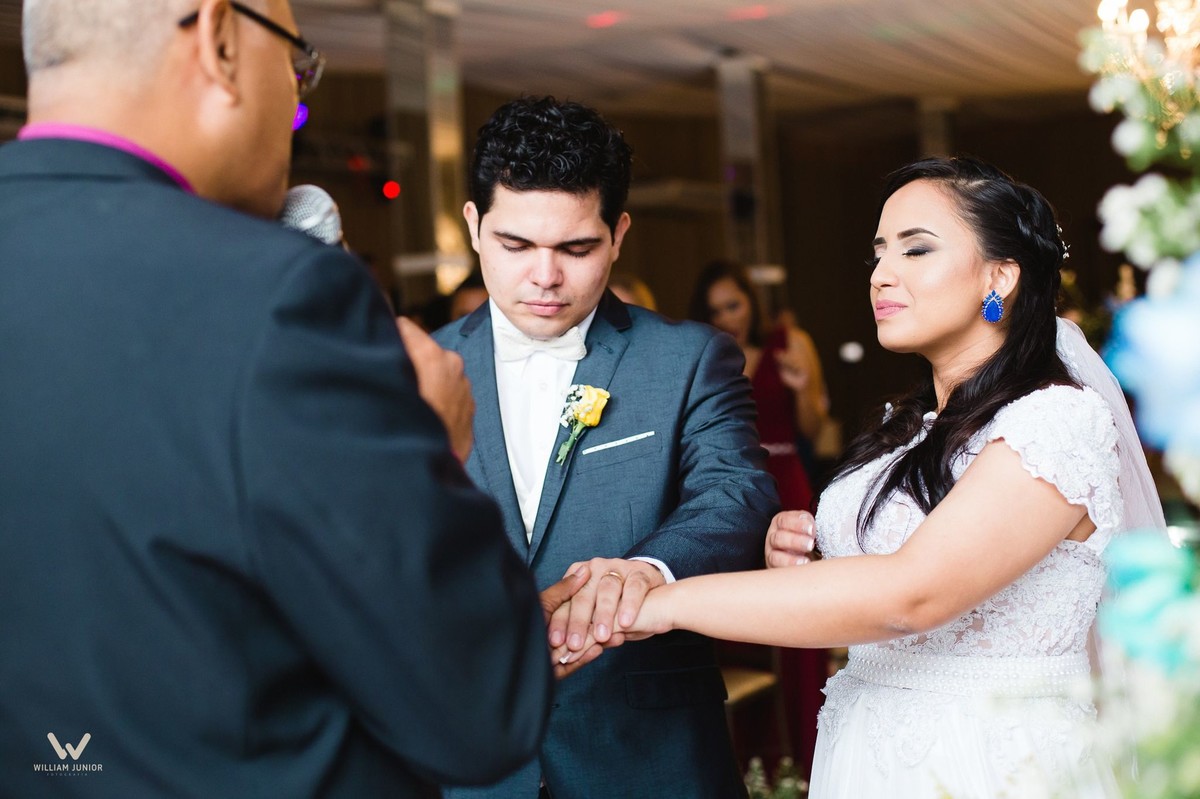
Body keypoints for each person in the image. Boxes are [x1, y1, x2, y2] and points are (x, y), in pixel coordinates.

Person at [0, 1, 582, 796]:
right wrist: (431, 449)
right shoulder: (276, 297)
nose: (297, 98)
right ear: (219, 40)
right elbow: (484, 708)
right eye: (295, 60)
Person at [624, 157, 1166, 797]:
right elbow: (878, 573)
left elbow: (912, 595)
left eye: (916, 251)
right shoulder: (904, 434)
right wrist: (800, 549)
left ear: (1000, 276)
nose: (883, 275)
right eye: (878, 254)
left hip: (990, 764)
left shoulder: (1058, 423)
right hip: (870, 753)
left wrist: (657, 603)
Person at [433, 95, 780, 798]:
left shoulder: (688, 358)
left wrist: (650, 567)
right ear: (473, 227)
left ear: (619, 234)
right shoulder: (411, 369)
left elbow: (736, 490)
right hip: (469, 764)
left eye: (576, 248)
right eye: (516, 245)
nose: (545, 276)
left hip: (648, 757)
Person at [688, 260, 829, 773]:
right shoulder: (700, 358)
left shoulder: (791, 342)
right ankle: (752, 758)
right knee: (742, 622)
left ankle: (808, 758)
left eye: (734, 304)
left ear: (751, 301)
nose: (727, 317)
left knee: (798, 612)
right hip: (728, 493)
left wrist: (801, 384)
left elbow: (815, 427)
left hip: (786, 481)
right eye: (714, 310)